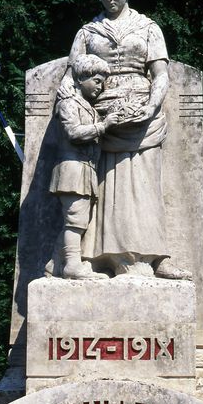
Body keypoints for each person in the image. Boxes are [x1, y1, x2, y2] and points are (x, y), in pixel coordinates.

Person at [64, 0, 190, 279]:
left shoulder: (148, 28)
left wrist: (150, 106)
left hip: (143, 117)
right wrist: (69, 104)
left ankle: (153, 256)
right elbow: (70, 79)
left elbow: (161, 75)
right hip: (102, 119)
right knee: (108, 191)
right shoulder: (87, 33)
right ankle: (108, 257)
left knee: (145, 188)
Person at [48, 53, 121, 279]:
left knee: (78, 220)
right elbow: (73, 133)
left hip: (84, 170)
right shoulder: (68, 103)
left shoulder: (87, 106)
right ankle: (72, 266)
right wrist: (103, 126)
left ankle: (54, 264)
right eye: (96, 81)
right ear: (81, 78)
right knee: (75, 221)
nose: (100, 87)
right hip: (72, 170)